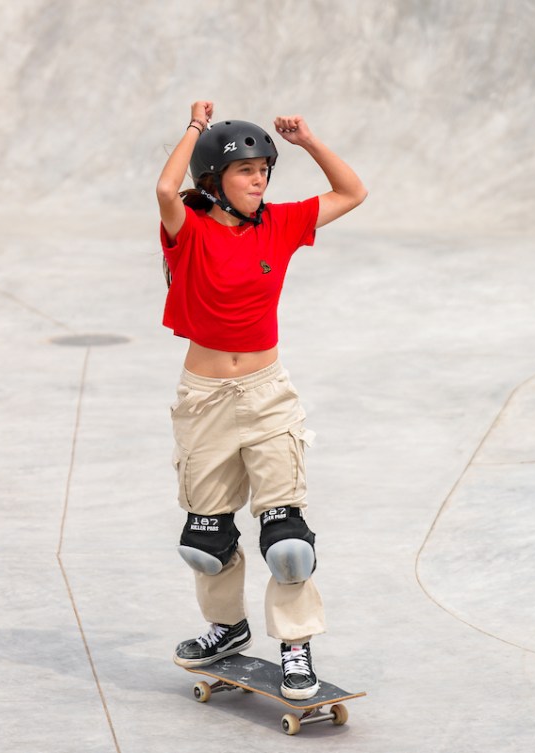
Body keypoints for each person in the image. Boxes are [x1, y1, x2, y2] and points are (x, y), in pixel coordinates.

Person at [156, 99, 366, 700]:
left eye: (264, 170)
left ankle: (296, 648)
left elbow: (352, 192)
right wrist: (195, 127)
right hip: (204, 403)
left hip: (268, 395)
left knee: (288, 541)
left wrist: (308, 141)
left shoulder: (279, 223)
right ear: (214, 182)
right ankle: (226, 631)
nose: (260, 181)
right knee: (207, 541)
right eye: (247, 171)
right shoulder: (187, 229)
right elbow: (165, 188)